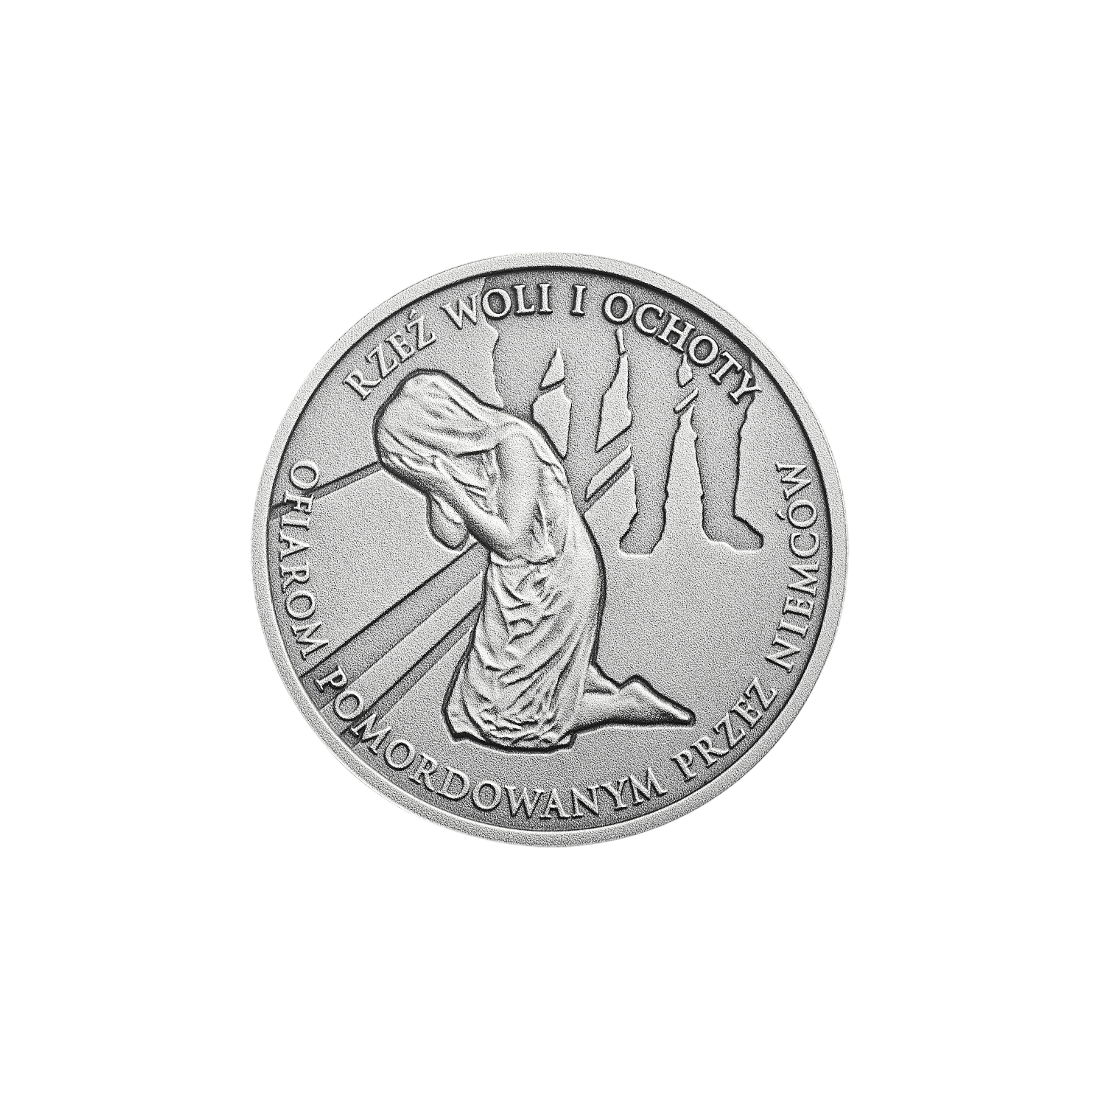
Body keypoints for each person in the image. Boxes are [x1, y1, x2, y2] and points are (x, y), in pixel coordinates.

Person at [374, 371, 694, 751]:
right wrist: (436, 487)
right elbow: (452, 537)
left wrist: (449, 489)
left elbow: (513, 541)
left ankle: (626, 704)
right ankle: (585, 684)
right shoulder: (463, 465)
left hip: (555, 580)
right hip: (513, 584)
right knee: (480, 704)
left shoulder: (514, 444)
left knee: (507, 721)